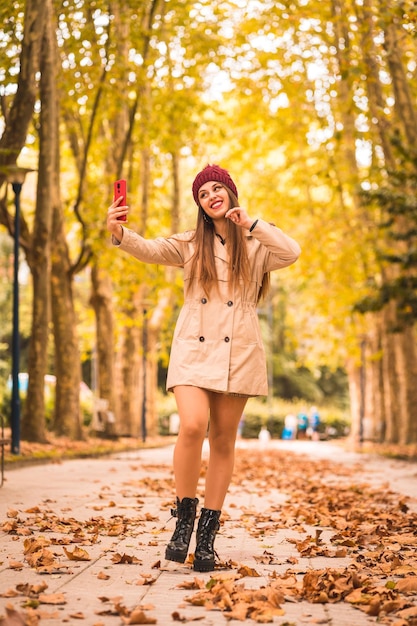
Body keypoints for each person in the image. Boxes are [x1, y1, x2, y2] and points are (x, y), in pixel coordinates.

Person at [106, 164, 301, 571]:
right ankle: (183, 522)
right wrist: (120, 233)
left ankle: (208, 537)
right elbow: (152, 249)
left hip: (240, 352)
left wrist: (252, 223)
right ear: (199, 204)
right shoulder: (191, 243)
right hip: (193, 349)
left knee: (225, 441)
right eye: (202, 193)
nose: (211, 195)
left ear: (231, 192)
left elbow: (292, 251)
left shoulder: (257, 243)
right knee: (193, 425)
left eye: (217, 188)